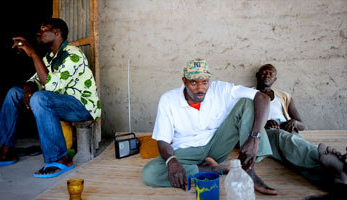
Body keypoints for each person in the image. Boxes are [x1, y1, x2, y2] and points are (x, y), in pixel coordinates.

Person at [142, 58, 279, 195]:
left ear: (209, 81)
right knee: (150, 174)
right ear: (184, 81)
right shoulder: (168, 100)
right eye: (193, 82)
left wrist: (254, 138)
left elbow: (263, 98)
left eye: (205, 82)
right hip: (187, 151)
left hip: (217, 146)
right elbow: (163, 141)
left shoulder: (222, 89)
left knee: (247, 102)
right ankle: (210, 169)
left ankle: (248, 171)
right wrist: (172, 162)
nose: (200, 88)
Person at [0, 18, 101, 178]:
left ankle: (61, 158)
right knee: (14, 93)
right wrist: (28, 88)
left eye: (43, 29)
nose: (39, 32)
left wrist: (33, 54)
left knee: (40, 98)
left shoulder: (74, 55)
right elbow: (35, 80)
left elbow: (51, 86)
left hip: (82, 107)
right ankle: (6, 151)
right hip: (59, 103)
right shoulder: (49, 58)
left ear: (57, 32)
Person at [256, 64, 347, 197]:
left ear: (275, 79)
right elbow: (245, 119)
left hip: (288, 129)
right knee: (285, 138)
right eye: (264, 73)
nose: (267, 76)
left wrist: (294, 122)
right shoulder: (249, 94)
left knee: (294, 156)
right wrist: (264, 123)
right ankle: (324, 158)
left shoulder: (284, 96)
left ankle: (335, 182)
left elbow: (302, 124)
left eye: (271, 74)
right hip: (266, 131)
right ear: (257, 75)